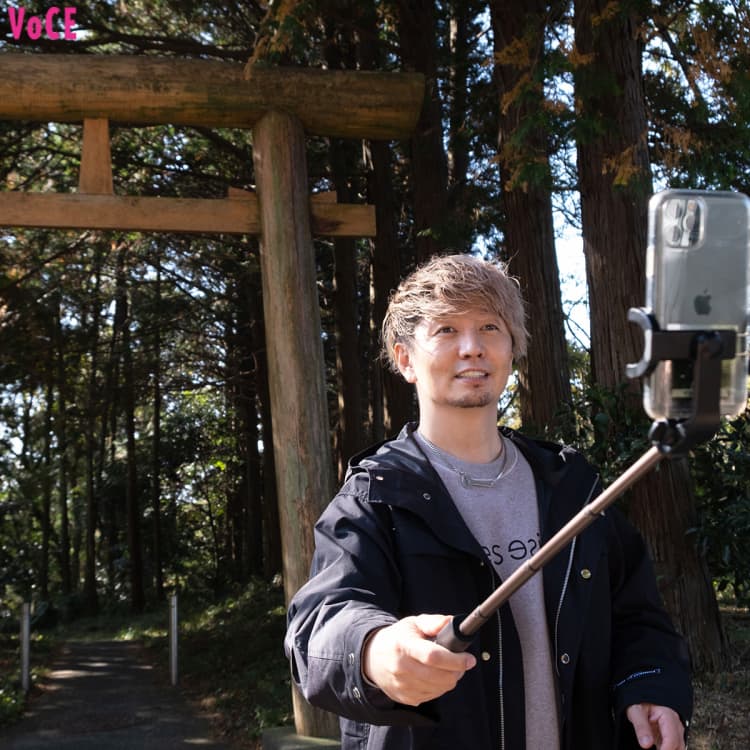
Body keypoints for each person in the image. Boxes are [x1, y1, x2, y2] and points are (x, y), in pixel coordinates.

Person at [284, 253, 692, 750]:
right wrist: (374, 650)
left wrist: (649, 685)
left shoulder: (571, 487)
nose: (472, 348)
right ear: (405, 359)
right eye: (447, 330)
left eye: (490, 327)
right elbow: (323, 621)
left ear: (512, 348)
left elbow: (636, 615)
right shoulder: (375, 497)